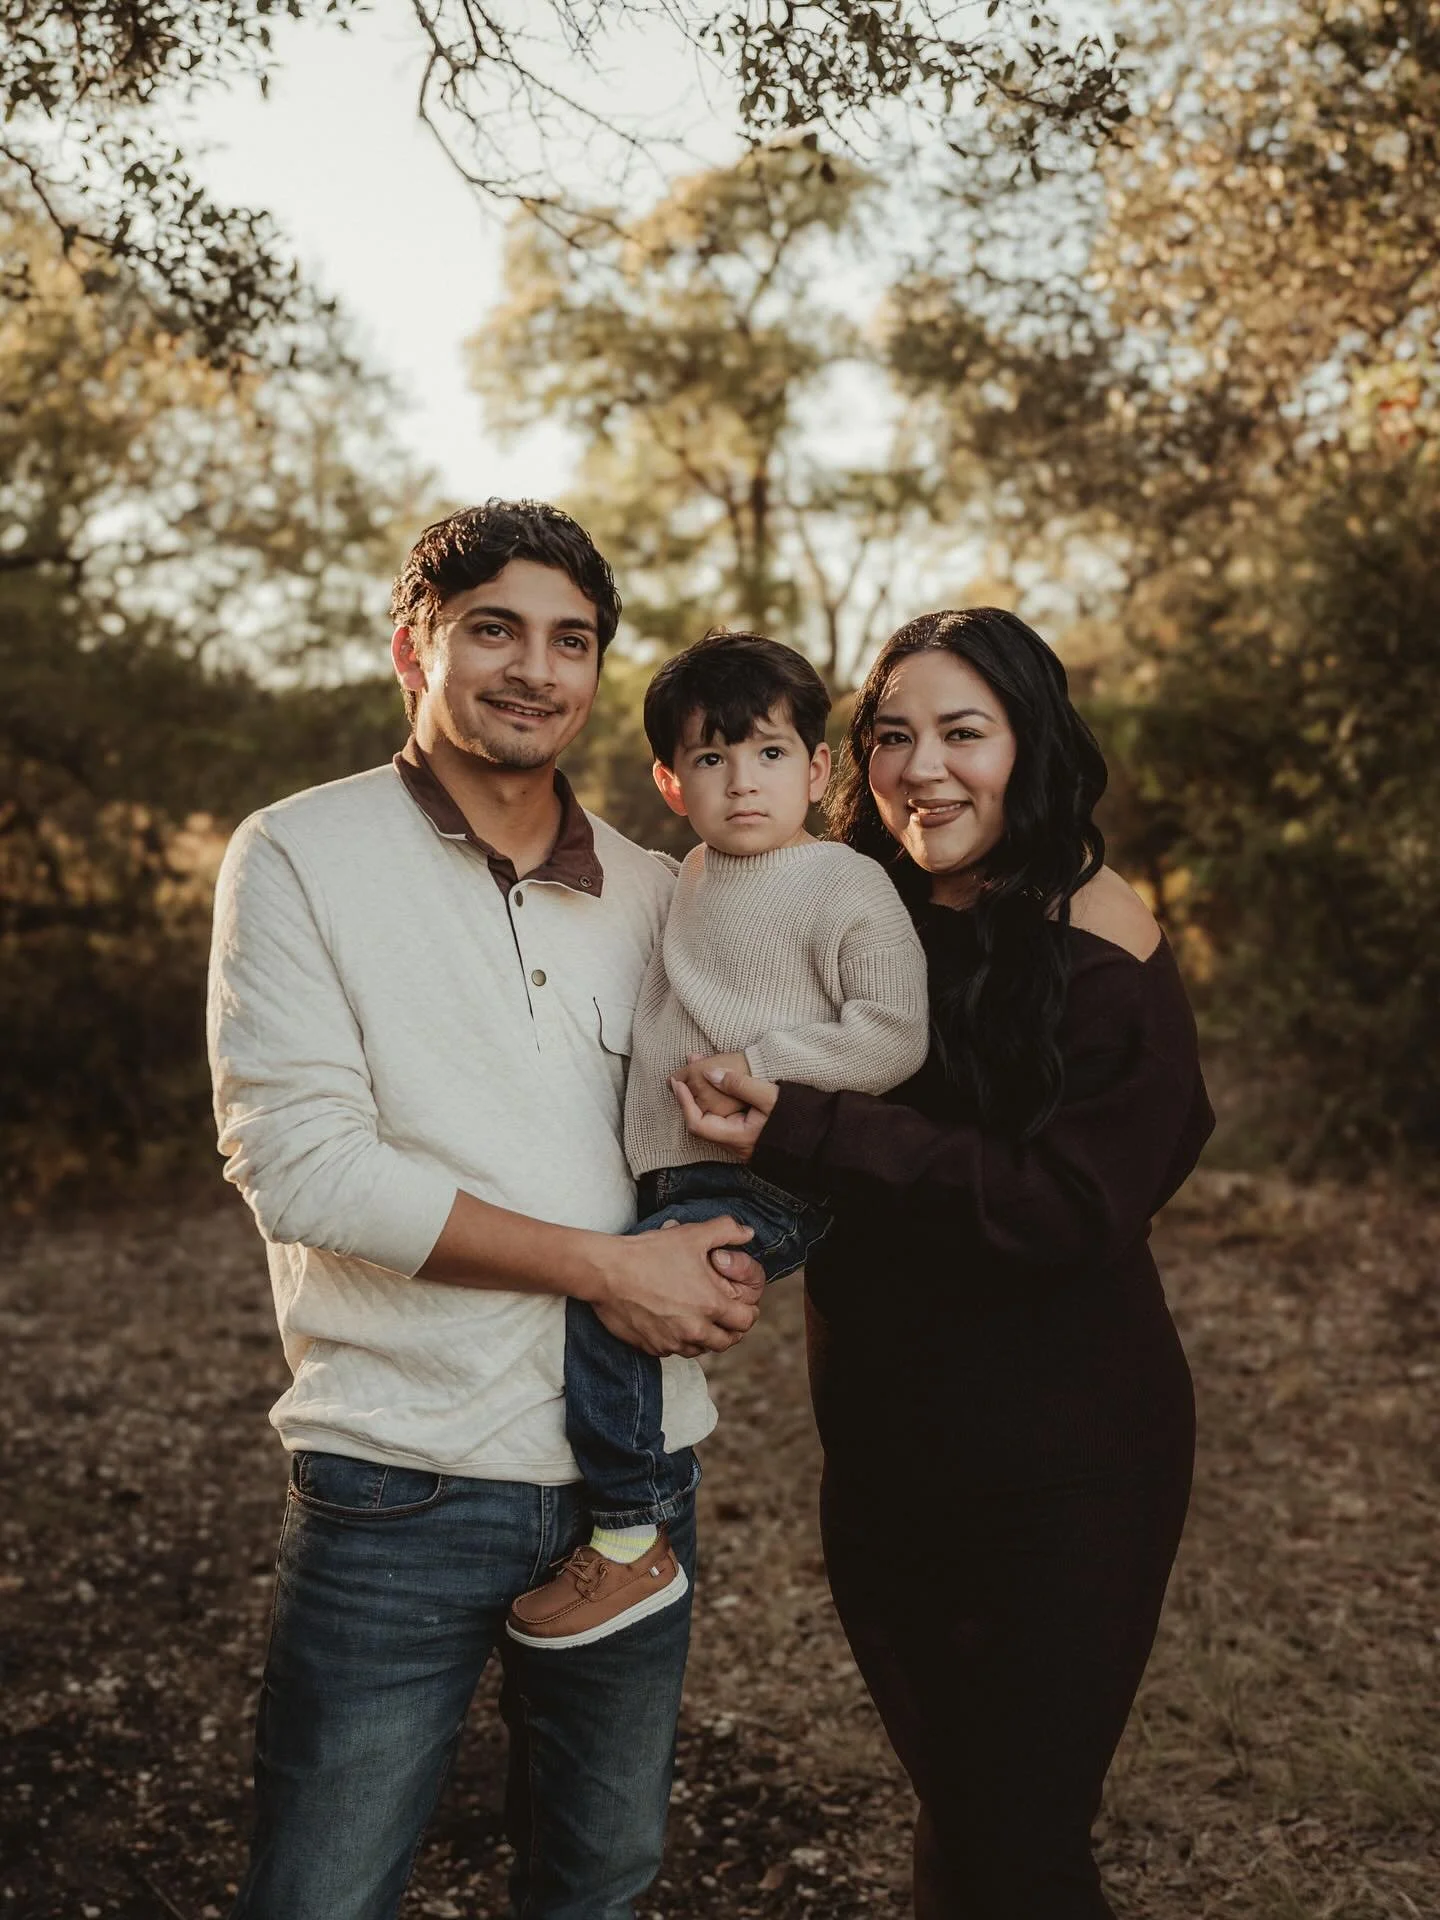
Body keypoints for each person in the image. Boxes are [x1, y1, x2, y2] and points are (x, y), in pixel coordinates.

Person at [206, 500, 769, 1920]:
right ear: (416, 649)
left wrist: (727, 1248)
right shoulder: (296, 854)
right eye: (495, 631)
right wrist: (605, 1269)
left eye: (570, 641)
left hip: (637, 1472)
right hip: (398, 1474)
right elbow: (303, 1165)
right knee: (321, 1892)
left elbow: (712, 1133)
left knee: (599, 1879)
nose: (536, 669)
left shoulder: (659, 891)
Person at [674, 608, 1215, 1920]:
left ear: (1030, 745)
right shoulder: (852, 909)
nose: (926, 769)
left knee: (1019, 1838)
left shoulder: (1103, 942)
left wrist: (813, 1127)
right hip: (884, 1462)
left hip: (1064, 1469)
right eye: (894, 738)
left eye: (964, 733)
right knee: (962, 1817)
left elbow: (1065, 1207)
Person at [507, 631, 929, 1650]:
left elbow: (893, 1031)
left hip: (768, 1173)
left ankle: (628, 1536)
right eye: (712, 759)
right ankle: (613, 1510)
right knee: (618, 1299)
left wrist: (763, 1066)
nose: (744, 783)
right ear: (670, 781)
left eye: (772, 754)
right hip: (677, 1169)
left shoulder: (841, 882)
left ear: (820, 769)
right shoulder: (684, 873)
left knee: (611, 1299)